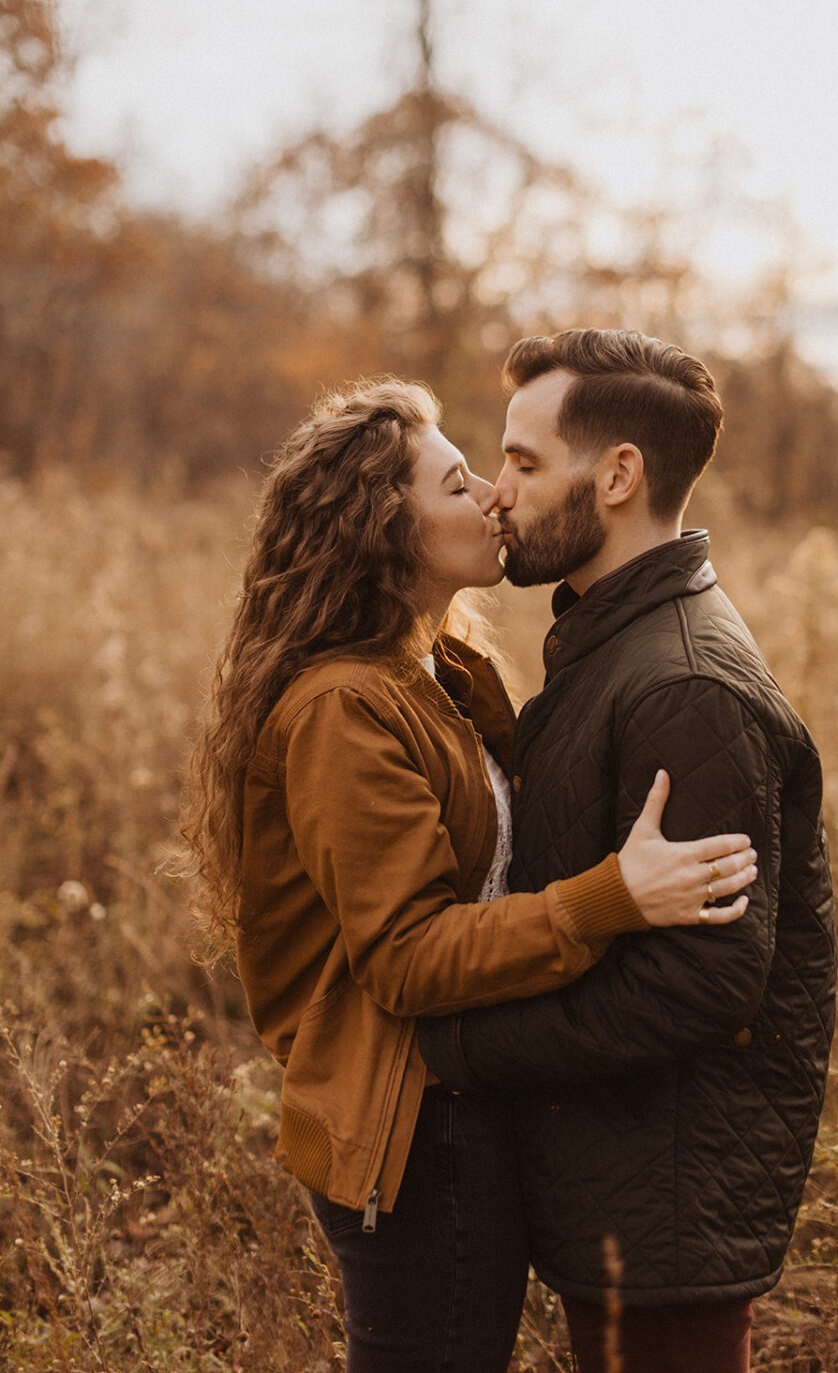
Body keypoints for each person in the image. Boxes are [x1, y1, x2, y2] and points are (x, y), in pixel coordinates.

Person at [180, 377, 760, 1373]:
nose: (495, 496)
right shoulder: (343, 709)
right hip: (410, 1132)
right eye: (461, 485)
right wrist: (614, 896)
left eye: (503, 470)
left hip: (459, 1097)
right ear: (385, 531)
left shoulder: (442, 670)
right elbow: (407, 958)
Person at [419, 329, 838, 1373]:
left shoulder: (682, 686)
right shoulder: (607, 642)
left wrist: (457, 1049)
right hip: (621, 1175)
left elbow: (700, 986)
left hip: (668, 1204)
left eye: (523, 461)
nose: (497, 492)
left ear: (616, 476)